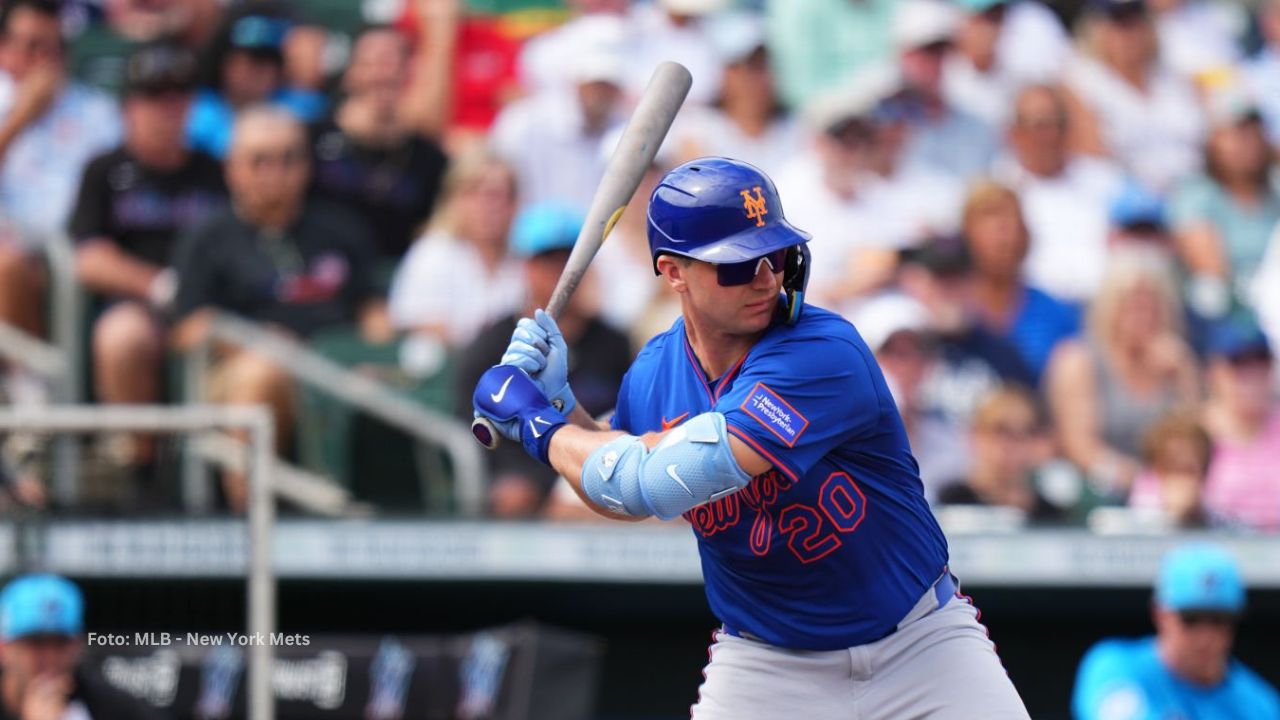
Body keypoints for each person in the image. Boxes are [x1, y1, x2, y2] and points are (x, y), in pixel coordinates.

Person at [471, 157, 1030, 718]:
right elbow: (618, 490)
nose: (766, 277)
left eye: (775, 254)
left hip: (919, 646)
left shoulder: (822, 352)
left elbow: (656, 484)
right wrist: (564, 407)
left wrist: (539, 426)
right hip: (769, 664)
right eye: (736, 264)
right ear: (673, 272)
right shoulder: (654, 374)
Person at [171, 107, 391, 511]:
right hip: (244, 370)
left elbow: (372, 309)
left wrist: (374, 351)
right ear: (233, 169)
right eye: (260, 160)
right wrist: (257, 343)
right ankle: (252, 517)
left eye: (289, 158)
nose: (276, 171)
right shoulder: (208, 236)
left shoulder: (340, 228)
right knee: (261, 375)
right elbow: (187, 328)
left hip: (331, 367)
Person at [70, 42, 227, 431]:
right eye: (154, 97)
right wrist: (159, 285)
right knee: (124, 335)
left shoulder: (217, 171)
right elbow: (89, 258)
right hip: (139, 304)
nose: (166, 110)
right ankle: (139, 467)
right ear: (129, 106)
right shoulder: (105, 170)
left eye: (177, 98)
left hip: (212, 306)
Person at [456, 203, 631, 518]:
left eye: (570, 260)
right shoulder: (492, 343)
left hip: (594, 463)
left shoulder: (613, 342)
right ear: (525, 267)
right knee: (515, 496)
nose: (561, 272)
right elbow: (473, 430)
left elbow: (627, 420)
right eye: (548, 261)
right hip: (522, 468)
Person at [0, 0, 121, 341]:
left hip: (74, 245)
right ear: (4, 48)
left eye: (50, 48)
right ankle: (27, 383)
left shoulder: (97, 111)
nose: (39, 59)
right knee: (6, 263)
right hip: (9, 244)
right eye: (30, 46)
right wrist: (21, 118)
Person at [1044, 246, 1200, 499]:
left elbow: (1193, 442)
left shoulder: (1175, 360)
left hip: (1165, 492)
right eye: (1133, 304)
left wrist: (1185, 375)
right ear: (1110, 307)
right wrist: (1143, 482)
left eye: (1151, 305)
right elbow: (1080, 447)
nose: (1143, 315)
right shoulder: (1079, 360)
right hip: (1096, 489)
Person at [1072, 543, 1280, 720]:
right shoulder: (1116, 666)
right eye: (1191, 619)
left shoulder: (1260, 705)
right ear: (1160, 615)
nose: (1205, 636)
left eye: (1218, 620)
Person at [309, 24, 449, 263]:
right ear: (349, 73)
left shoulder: (430, 159)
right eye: (370, 63)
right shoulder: (310, 141)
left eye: (394, 63)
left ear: (408, 73)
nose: (383, 74)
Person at [992, 84, 1124, 304]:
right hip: (1036, 312)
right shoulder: (999, 191)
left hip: (1107, 307)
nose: (1051, 135)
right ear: (1014, 133)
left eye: (1059, 124)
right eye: (1041, 125)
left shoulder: (1104, 180)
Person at [1063, 0, 1205, 192]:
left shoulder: (1173, 76)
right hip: (1128, 196)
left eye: (1135, 22)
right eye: (1118, 24)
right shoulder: (1082, 80)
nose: (1128, 34)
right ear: (1097, 30)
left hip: (1194, 188)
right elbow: (1092, 155)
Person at [387, 150, 523, 349]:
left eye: (501, 195)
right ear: (453, 199)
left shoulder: (527, 260)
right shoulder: (433, 252)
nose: (491, 206)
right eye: (477, 193)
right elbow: (420, 328)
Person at [1169, 89, 1280, 322]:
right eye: (1238, 134)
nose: (1250, 143)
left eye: (1255, 133)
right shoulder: (1195, 195)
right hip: (1234, 316)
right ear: (1212, 141)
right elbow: (1212, 272)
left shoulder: (1276, 188)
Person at [0, 574, 167, 720]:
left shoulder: (108, 706)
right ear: (4, 648)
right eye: (36, 643)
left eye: (61, 643)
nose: (50, 657)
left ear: (77, 645)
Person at [962, 181, 1080, 384]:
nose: (1002, 232)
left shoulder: (1054, 314)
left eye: (1010, 220)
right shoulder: (951, 311)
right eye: (989, 218)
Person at [186, 4, 326, 159]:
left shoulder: (303, 107)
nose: (263, 70)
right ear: (225, 63)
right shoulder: (196, 109)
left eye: (271, 61)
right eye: (253, 60)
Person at [936, 384, 1064, 522]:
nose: (1013, 445)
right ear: (975, 435)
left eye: (1024, 433)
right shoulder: (951, 502)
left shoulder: (1049, 513)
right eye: (1001, 431)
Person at [1198, 319, 1280, 530]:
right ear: (1214, 371)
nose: (1252, 376)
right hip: (1210, 554)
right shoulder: (1189, 433)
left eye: (1261, 363)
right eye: (1239, 365)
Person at [1127, 411, 1214, 528]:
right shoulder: (1144, 493)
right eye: (1172, 466)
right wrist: (1174, 511)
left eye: (1187, 470)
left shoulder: (1212, 496)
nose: (1180, 480)